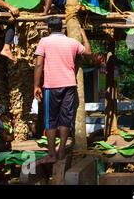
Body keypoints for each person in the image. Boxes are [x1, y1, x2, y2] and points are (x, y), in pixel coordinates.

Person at [34, 17, 91, 163]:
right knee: (65, 118)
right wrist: (83, 33)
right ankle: (61, 151)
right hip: (69, 84)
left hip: (51, 85)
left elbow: (39, 65)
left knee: (51, 119)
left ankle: (52, 153)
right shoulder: (72, 42)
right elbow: (89, 52)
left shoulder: (44, 42)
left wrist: (36, 85)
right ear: (62, 28)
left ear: (48, 29)